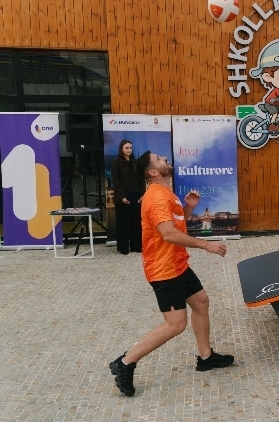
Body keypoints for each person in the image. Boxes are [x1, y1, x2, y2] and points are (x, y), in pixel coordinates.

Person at [109, 151, 233, 397]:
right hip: (164, 270)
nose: (165, 158)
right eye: (159, 158)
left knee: (201, 302)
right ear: (153, 172)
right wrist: (206, 245)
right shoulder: (155, 197)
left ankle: (206, 357)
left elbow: (174, 226)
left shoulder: (167, 193)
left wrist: (188, 208)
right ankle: (125, 362)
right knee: (175, 324)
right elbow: (168, 234)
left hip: (178, 264)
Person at [111, 139, 145, 255]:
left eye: (130, 148)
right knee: (123, 223)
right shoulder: (116, 162)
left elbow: (142, 180)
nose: (129, 150)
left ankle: (136, 246)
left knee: (136, 223)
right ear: (121, 149)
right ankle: (124, 247)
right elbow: (116, 181)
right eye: (127, 148)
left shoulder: (136, 162)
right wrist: (122, 197)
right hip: (123, 198)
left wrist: (142, 195)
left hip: (136, 197)